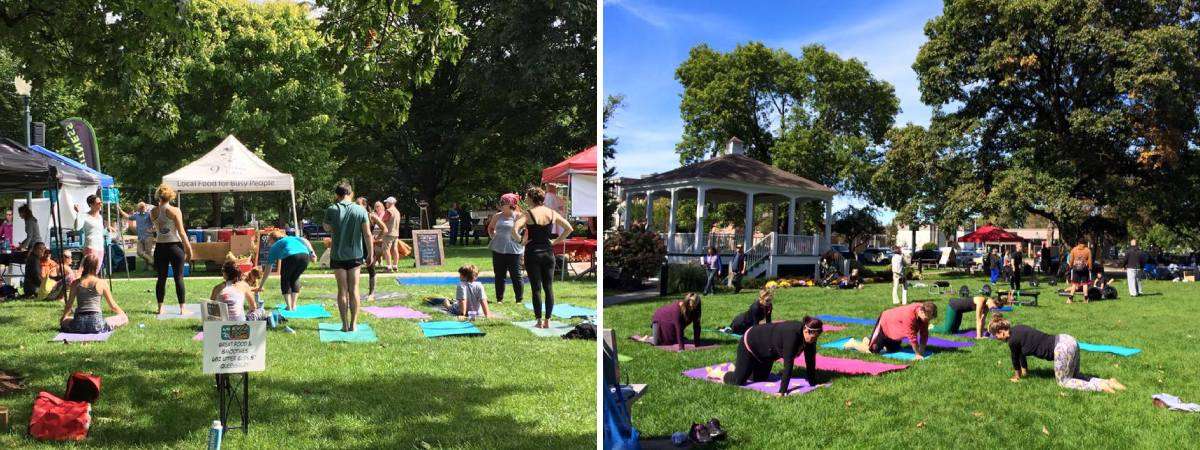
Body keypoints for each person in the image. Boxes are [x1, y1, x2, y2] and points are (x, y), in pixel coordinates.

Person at [987, 314, 1126, 392]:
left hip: (1061, 349)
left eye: (995, 336)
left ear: (1000, 332)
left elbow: (1015, 359)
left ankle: (1099, 387)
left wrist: (1017, 376)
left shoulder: (1012, 341)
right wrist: (1024, 372)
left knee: (1064, 382)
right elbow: (1020, 355)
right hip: (1068, 339)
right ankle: (1107, 381)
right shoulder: (1018, 329)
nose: (996, 339)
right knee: (1074, 375)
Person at [705, 316, 825, 397]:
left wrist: (813, 383)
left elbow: (810, 361)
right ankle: (719, 373)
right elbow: (788, 365)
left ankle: (738, 369)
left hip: (767, 353)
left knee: (760, 377)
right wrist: (782, 391)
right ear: (805, 330)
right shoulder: (791, 335)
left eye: (816, 338)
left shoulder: (811, 337)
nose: (813, 340)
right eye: (813, 337)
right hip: (751, 343)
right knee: (738, 381)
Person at [514, 186, 572, 329]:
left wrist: (521, 241)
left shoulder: (527, 214)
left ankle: (539, 321)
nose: (525, 199)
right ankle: (547, 321)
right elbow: (569, 228)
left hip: (532, 252)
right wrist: (556, 241)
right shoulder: (551, 213)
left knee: (536, 288)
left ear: (532, 198)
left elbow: (514, 230)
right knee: (549, 287)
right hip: (548, 252)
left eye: (526, 197)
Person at [324, 182, 373, 332]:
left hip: (338, 255)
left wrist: (336, 227)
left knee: (342, 290)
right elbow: (367, 234)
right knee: (354, 289)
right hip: (355, 255)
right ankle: (354, 324)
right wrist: (370, 253)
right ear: (350, 193)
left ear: (337, 195)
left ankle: (344, 325)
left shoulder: (331, 209)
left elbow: (327, 227)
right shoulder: (360, 210)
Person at [151, 184, 194, 315]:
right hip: (175, 246)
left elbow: (157, 229)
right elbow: (181, 232)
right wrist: (189, 249)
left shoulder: (153, 211)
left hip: (160, 247)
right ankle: (182, 308)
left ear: (159, 196)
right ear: (171, 196)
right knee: (178, 277)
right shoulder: (175, 210)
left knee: (161, 278)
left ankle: (160, 308)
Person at [59, 254, 127, 334]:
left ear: (84, 265)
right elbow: (113, 306)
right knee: (123, 319)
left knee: (66, 320)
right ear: (96, 267)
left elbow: (69, 305)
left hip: (78, 324)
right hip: (96, 324)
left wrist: (63, 318)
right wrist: (123, 315)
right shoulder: (102, 283)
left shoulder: (75, 283)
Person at [845, 302, 937, 360]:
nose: (927, 321)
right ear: (921, 312)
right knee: (873, 351)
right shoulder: (909, 315)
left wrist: (922, 350)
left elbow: (924, 334)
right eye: (927, 318)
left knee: (893, 350)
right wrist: (917, 354)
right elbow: (912, 337)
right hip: (885, 323)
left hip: (894, 331)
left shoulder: (924, 314)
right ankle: (853, 343)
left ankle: (868, 340)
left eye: (929, 319)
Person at [256, 230, 316, 311]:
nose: (269, 244)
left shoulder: (274, 247)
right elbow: (304, 240)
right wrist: (312, 253)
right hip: (305, 256)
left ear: (273, 239)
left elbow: (268, 269)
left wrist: (261, 286)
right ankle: (294, 305)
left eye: (269, 241)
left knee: (285, 279)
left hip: (291, 256)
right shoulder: (291, 238)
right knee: (295, 278)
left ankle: (289, 306)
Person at [487, 193, 524, 304]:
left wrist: (522, 242)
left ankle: (519, 300)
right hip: (498, 249)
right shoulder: (497, 216)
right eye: (501, 203)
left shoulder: (519, 216)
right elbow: (490, 228)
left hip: (514, 250)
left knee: (516, 275)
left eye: (504, 203)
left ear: (511, 204)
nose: (501, 205)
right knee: (499, 275)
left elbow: (527, 232)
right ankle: (499, 299)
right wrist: (494, 237)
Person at [931, 291, 1005, 338]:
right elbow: (978, 319)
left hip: (960, 311)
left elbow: (983, 320)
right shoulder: (981, 300)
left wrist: (982, 335)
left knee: (953, 331)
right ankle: (931, 327)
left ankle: (934, 327)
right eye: (993, 307)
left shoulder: (987, 305)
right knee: (947, 331)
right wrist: (979, 336)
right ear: (992, 301)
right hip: (953, 306)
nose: (992, 309)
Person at [72, 195, 106, 275]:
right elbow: (77, 227)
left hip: (100, 247)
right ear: (91, 205)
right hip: (91, 246)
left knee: (96, 271)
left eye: (101, 202)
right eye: (98, 203)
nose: (101, 204)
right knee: (87, 271)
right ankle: (80, 285)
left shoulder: (100, 217)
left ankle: (91, 286)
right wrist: (78, 213)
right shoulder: (84, 216)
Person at [118, 202, 155, 266]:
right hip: (140, 237)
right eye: (140, 207)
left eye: (143, 207)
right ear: (138, 208)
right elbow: (128, 217)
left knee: (148, 252)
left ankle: (148, 267)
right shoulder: (136, 215)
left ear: (145, 207)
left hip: (148, 236)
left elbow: (155, 222)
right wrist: (120, 210)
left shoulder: (149, 214)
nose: (142, 208)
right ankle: (152, 261)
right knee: (139, 252)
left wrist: (153, 229)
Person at [382, 197, 403, 271]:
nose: (385, 204)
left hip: (388, 233)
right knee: (395, 249)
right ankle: (395, 265)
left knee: (386, 250)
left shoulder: (388, 211)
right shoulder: (397, 211)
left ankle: (388, 266)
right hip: (396, 233)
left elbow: (382, 221)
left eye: (386, 203)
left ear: (390, 203)